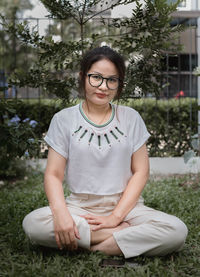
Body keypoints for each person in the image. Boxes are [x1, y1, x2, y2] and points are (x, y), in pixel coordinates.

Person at [22, 46, 188, 258]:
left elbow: (141, 172)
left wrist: (116, 217)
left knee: (176, 231)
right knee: (33, 224)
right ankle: (120, 237)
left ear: (119, 84)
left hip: (127, 209)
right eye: (96, 77)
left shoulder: (130, 118)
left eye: (112, 80)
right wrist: (62, 214)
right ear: (83, 77)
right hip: (79, 208)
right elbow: (53, 174)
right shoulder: (64, 119)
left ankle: (92, 246)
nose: (103, 86)